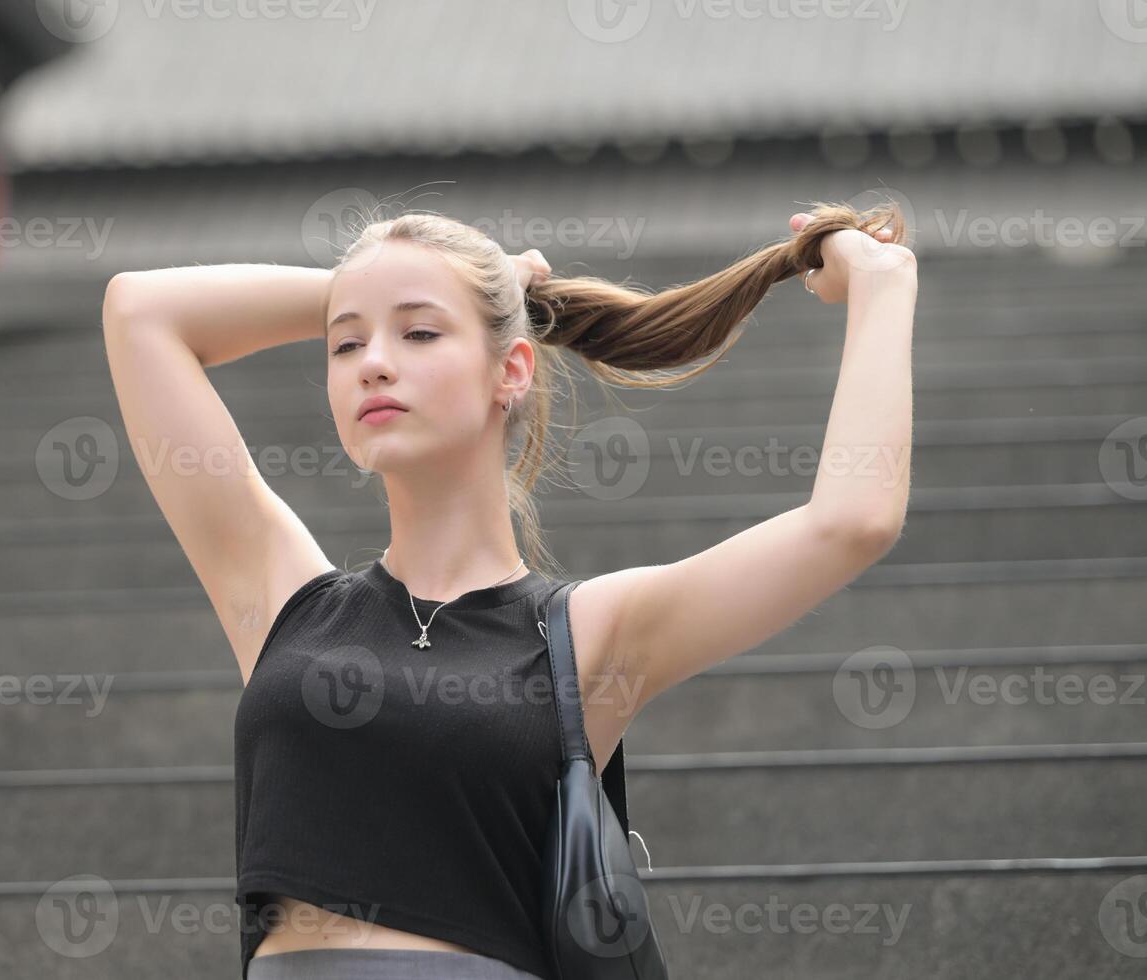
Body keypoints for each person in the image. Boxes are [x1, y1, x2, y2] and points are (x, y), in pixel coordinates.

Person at [101, 203, 917, 979]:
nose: (374, 360)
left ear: (512, 369)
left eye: (420, 331)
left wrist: (883, 284)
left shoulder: (593, 633)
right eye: (345, 345)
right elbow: (140, 312)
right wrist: (392, 286)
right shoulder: (285, 601)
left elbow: (852, 521)